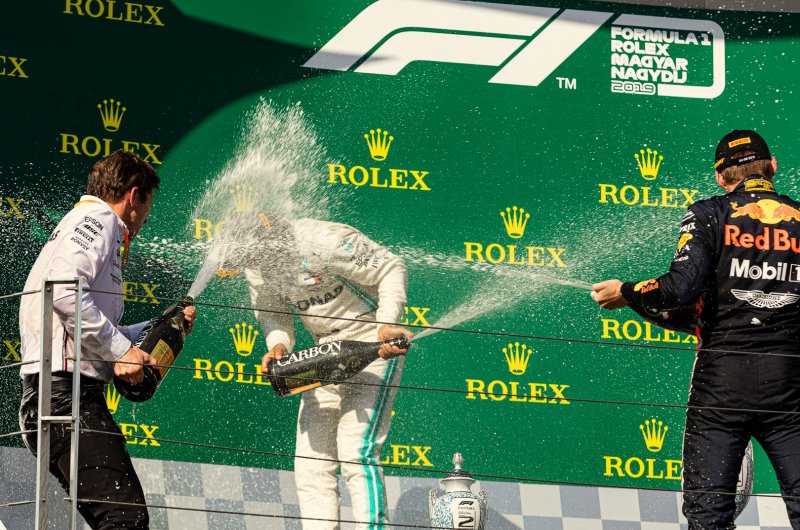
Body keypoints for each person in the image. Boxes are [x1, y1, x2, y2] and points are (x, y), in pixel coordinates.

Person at [591, 130, 800, 529]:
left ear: (721, 177)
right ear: (772, 167)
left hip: (721, 388)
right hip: (790, 386)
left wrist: (628, 292)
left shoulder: (708, 213)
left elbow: (679, 290)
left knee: (708, 516)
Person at [18, 150, 197, 529]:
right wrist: (121, 351)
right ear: (134, 196)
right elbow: (64, 292)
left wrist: (160, 326)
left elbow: (90, 330)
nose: (146, 218)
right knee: (124, 519)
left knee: (116, 520)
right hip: (64, 399)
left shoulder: (86, 223)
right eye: (148, 206)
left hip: (59, 398)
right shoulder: (99, 219)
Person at [242, 213, 412, 529]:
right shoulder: (254, 262)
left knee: (355, 452)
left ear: (268, 239)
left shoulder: (322, 239)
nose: (254, 265)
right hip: (322, 352)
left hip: (372, 339)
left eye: (255, 256)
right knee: (312, 463)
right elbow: (273, 312)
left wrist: (386, 323)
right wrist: (278, 344)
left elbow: (391, 267)